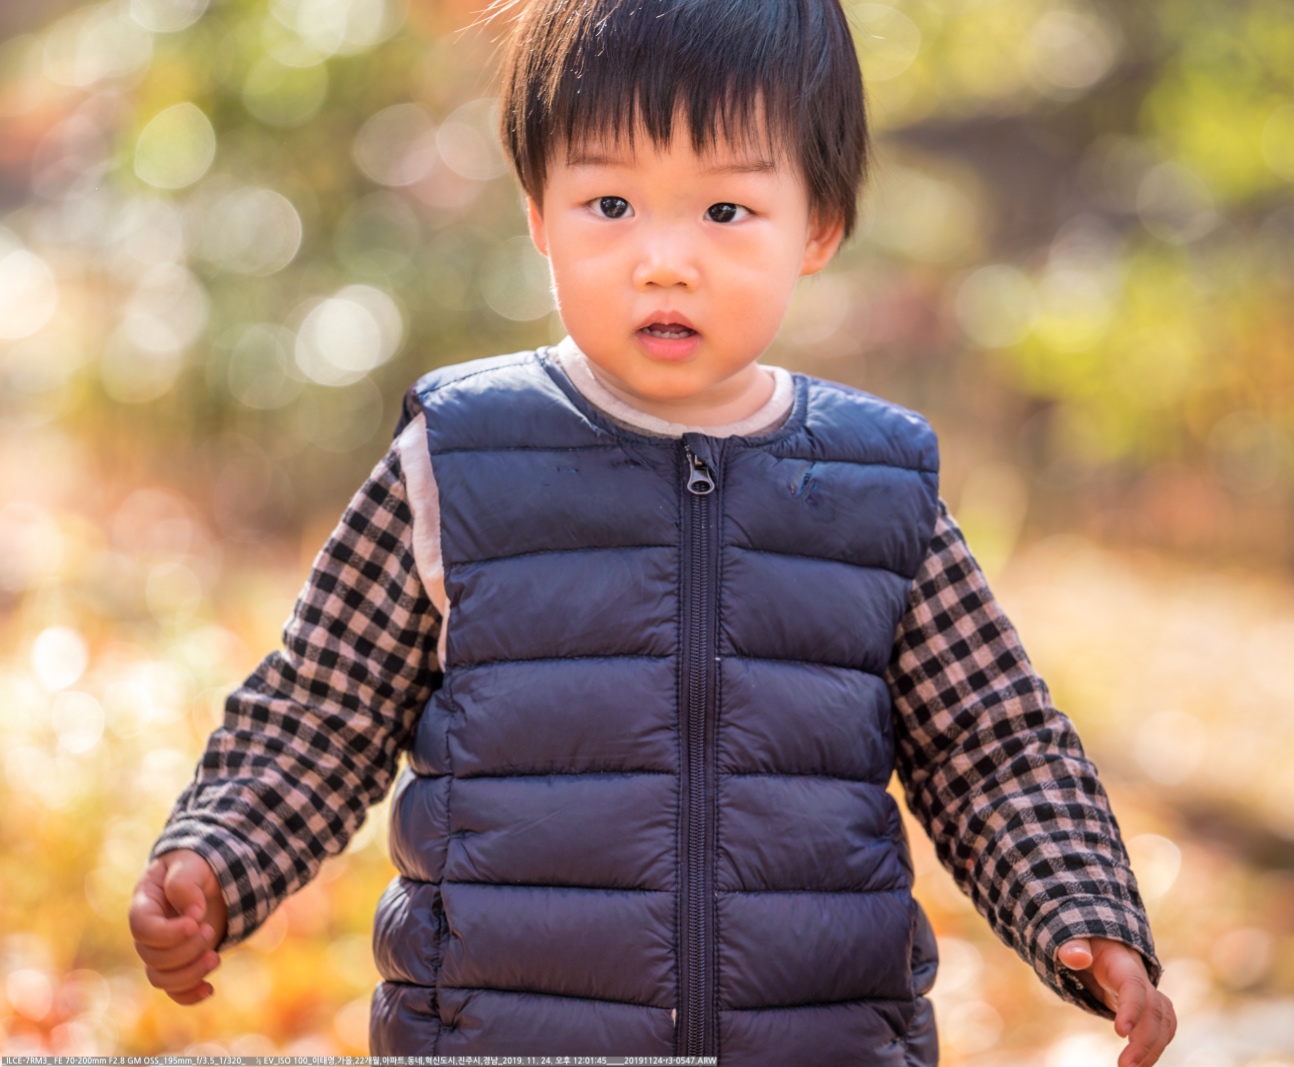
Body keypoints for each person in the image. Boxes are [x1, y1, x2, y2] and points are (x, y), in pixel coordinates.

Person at [128, 0, 1176, 1063]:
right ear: (539, 212)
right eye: (611, 202)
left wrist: (1081, 908)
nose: (664, 260)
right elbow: (325, 704)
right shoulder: (459, 460)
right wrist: (218, 852)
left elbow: (992, 744)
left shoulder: (875, 490)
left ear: (817, 225)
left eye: (725, 209)